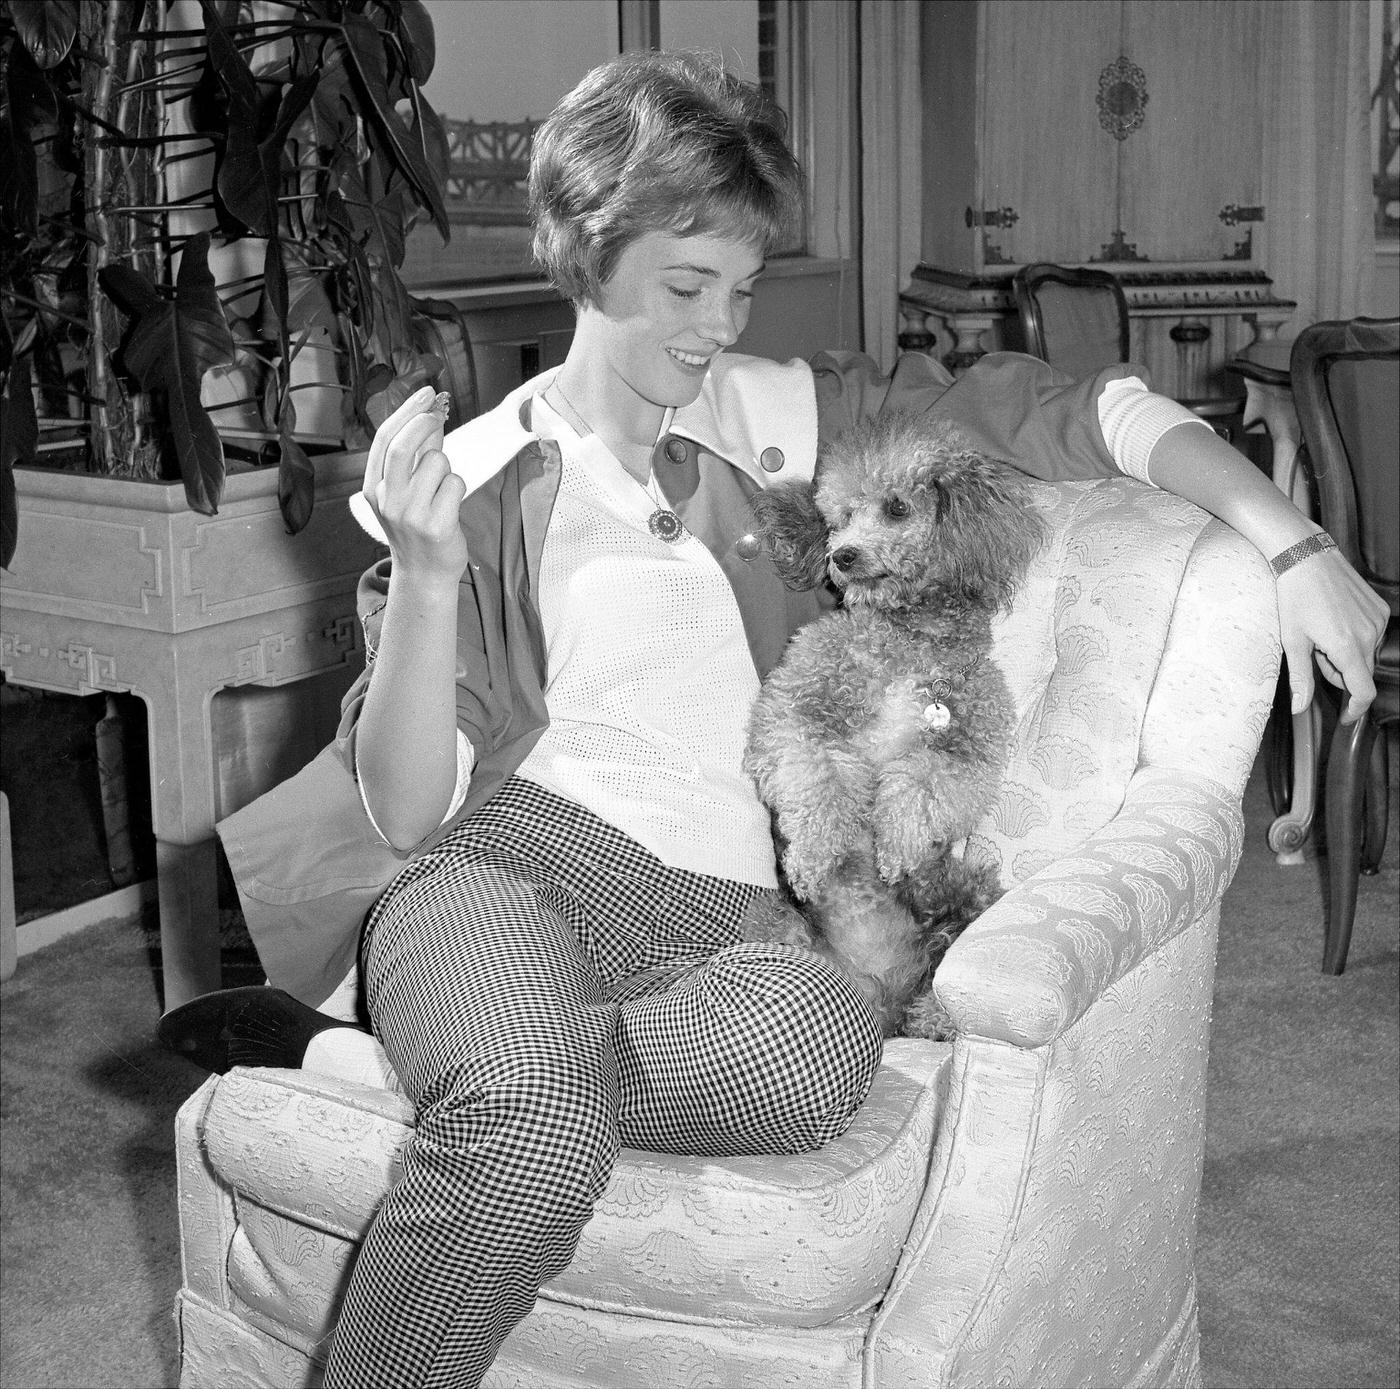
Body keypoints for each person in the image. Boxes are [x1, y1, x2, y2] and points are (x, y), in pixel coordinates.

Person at [159, 49, 1388, 1388]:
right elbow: (401, 807)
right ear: (586, 249)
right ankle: (484, 1091)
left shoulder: (776, 423)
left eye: (738, 290)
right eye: (686, 285)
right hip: (513, 868)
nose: (714, 327)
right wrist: (434, 577)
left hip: (737, 926)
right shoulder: (477, 476)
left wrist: (1292, 542)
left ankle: (402, 1065)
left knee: (825, 1045)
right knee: (524, 1135)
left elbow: (1070, 411)